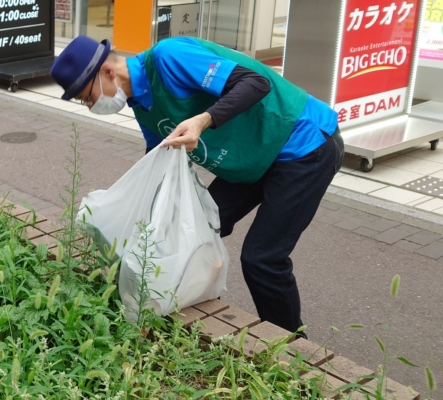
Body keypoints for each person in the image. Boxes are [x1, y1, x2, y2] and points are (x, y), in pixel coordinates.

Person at [51, 36, 343, 336]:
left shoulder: (169, 57)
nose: (91, 106)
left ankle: (292, 348)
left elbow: (256, 83)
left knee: (262, 259)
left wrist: (203, 121)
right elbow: (159, 163)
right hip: (255, 155)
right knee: (195, 224)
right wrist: (139, 224)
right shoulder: (142, 105)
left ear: (107, 71)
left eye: (87, 97)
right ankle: (178, 304)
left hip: (302, 141)